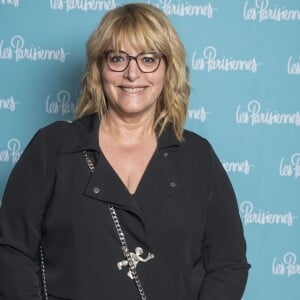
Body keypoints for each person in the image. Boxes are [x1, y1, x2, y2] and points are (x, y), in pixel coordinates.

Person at [0, 3, 250, 300]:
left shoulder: (197, 157)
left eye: (148, 59)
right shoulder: (51, 148)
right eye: (118, 58)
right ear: (99, 68)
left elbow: (228, 264)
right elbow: (12, 252)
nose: (133, 73)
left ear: (168, 69)